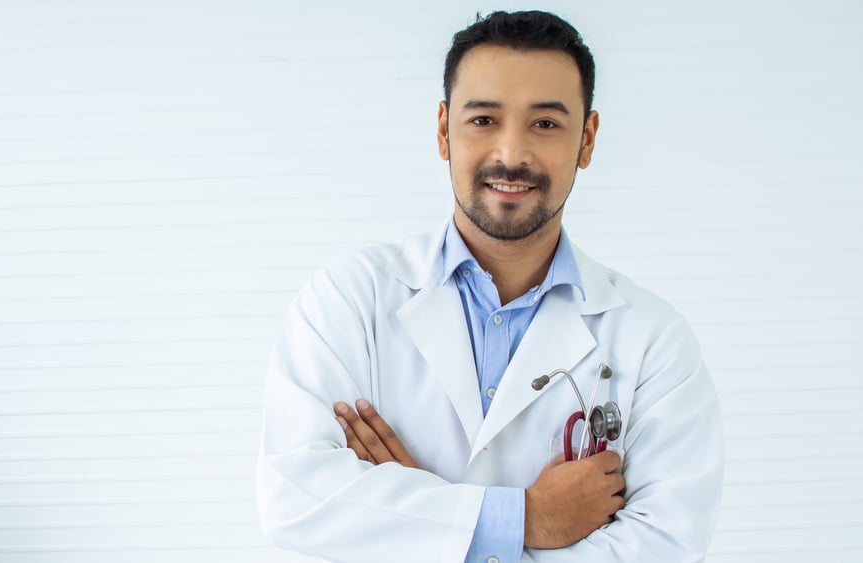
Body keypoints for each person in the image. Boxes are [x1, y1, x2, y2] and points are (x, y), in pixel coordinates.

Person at [257, 10, 723, 563]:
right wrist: (528, 516)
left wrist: (420, 519)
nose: (511, 154)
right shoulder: (350, 298)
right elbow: (296, 499)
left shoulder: (654, 340)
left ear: (587, 140)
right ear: (442, 129)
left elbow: (665, 545)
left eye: (545, 124)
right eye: (483, 120)